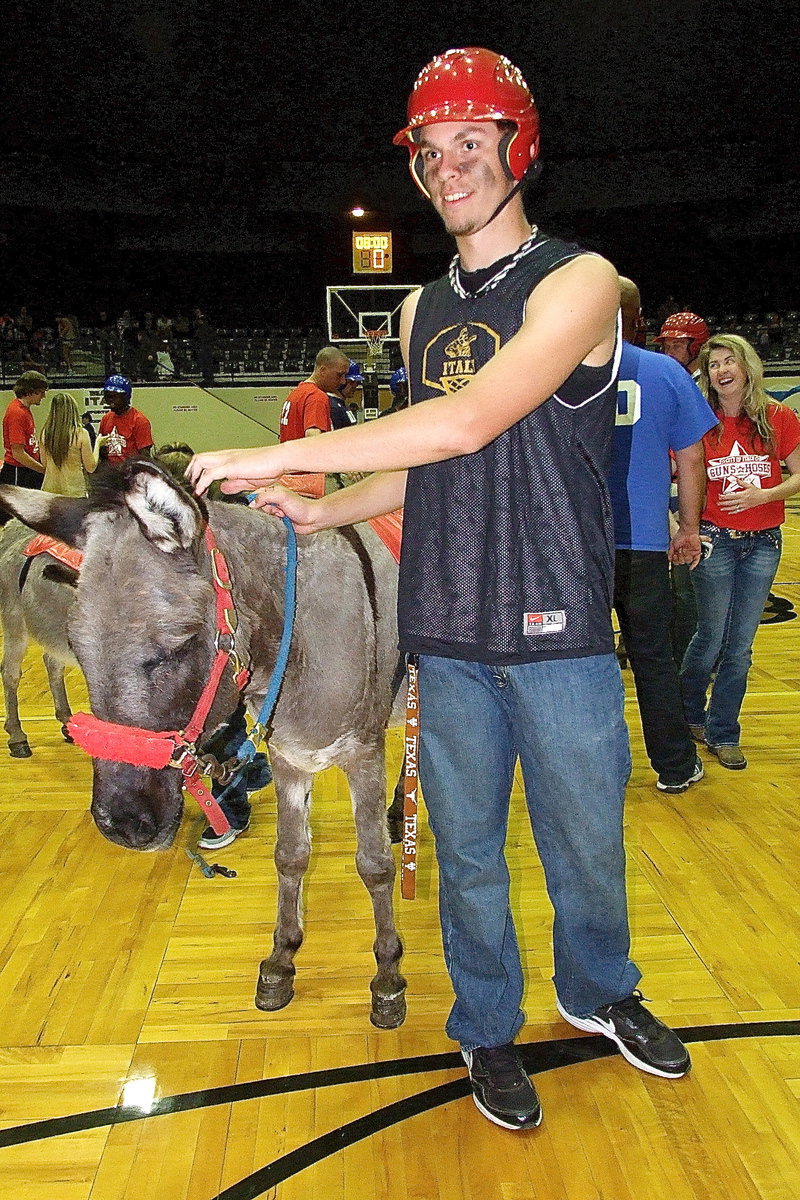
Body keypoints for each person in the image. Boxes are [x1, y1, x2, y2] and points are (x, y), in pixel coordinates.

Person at [187, 46, 690, 1132]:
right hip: (448, 626)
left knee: (584, 847)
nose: (447, 166)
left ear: (518, 149)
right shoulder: (416, 314)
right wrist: (325, 508)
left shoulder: (579, 281)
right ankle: (485, 1027)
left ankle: (597, 991)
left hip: (557, 627)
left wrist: (277, 459)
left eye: (470, 142)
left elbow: (471, 418)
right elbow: (431, 456)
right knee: (462, 855)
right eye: (429, 149)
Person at [610, 280, 717, 792]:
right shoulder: (666, 371)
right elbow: (693, 457)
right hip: (644, 543)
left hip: (572, 545)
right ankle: (675, 766)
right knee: (652, 657)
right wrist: (691, 527)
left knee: (581, 663)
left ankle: (597, 771)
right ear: (637, 317)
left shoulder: (556, 372)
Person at [680, 335, 800, 768]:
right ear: (707, 375)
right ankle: (688, 711)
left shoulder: (778, 417)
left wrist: (763, 496)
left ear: (747, 366)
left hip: (764, 542)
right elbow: (679, 475)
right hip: (715, 540)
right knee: (710, 637)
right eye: (713, 364)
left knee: (741, 646)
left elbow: (798, 476)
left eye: (730, 361)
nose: (722, 370)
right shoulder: (699, 420)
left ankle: (723, 730)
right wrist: (682, 527)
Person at [654, 312, 712, 666]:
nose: (672, 350)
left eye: (679, 343)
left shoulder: (709, 386)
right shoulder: (662, 378)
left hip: (701, 495)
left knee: (690, 588)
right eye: (668, 344)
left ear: (697, 347)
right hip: (666, 493)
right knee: (665, 585)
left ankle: (690, 660)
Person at [0, 371, 47, 523]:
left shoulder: (24, 410)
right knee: (12, 519)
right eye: (41, 392)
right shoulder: (17, 413)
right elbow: (18, 453)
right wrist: (42, 469)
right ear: (31, 391)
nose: (43, 396)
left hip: (25, 471)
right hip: (17, 472)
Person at [278, 346, 348, 442]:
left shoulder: (296, 393)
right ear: (323, 370)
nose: (343, 381)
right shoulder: (316, 397)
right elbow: (313, 437)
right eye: (339, 375)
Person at [40, 391, 97, 496]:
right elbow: (91, 467)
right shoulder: (81, 433)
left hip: (49, 491)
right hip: (74, 491)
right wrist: (98, 444)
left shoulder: (45, 433)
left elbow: (44, 464)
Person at [98, 375, 153, 466]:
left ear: (126, 397)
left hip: (131, 474)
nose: (111, 400)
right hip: (111, 474)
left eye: (115, 396)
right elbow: (102, 450)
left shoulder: (139, 421)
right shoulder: (106, 419)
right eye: (108, 396)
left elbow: (145, 457)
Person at [654, 312, 710, 378]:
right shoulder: (667, 377)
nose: (669, 353)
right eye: (666, 346)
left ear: (696, 348)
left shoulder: (712, 383)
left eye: (677, 346)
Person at [328, 360, 362, 429]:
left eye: (357, 382)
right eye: (352, 382)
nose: (355, 386)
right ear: (341, 381)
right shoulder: (333, 407)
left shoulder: (341, 405)